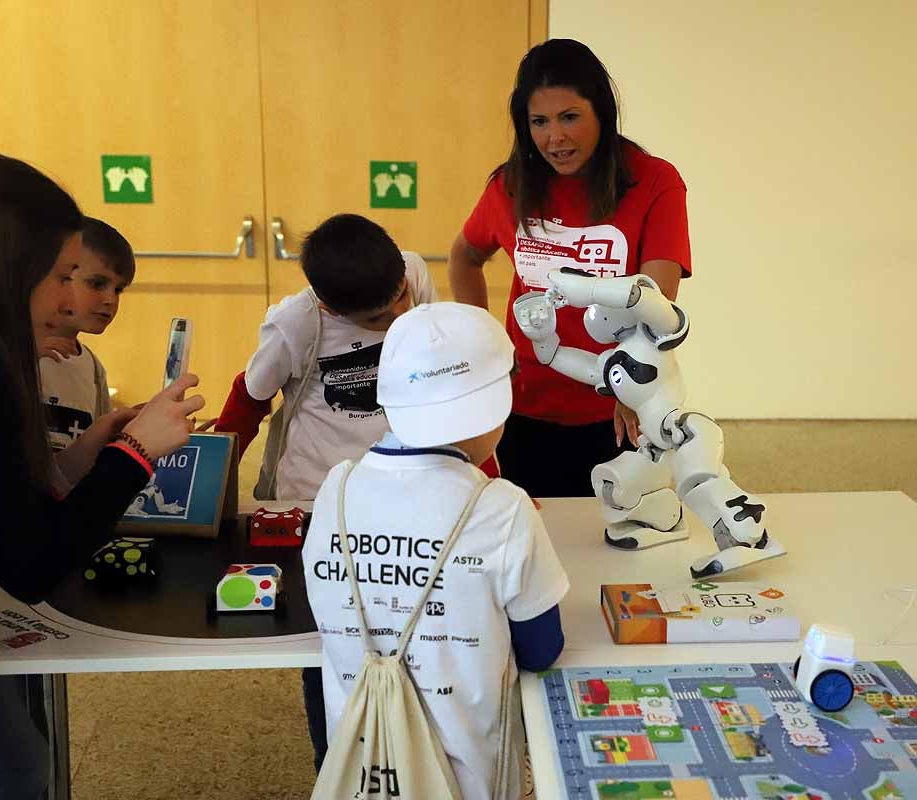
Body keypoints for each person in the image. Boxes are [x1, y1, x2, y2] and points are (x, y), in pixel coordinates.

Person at [0, 151, 204, 800]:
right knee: (17, 771)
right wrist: (135, 454)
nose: (70, 301)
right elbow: (31, 562)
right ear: (5, 264)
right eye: (64, 276)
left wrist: (89, 453)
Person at [304, 302, 567, 800]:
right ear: (493, 405)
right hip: (470, 779)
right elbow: (541, 650)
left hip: (362, 764)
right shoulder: (502, 507)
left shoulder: (335, 489)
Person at [212, 212, 439, 771]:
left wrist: (488, 480)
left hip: (405, 486)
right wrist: (208, 489)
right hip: (317, 499)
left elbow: (441, 378)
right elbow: (249, 399)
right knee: (332, 641)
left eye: (401, 298)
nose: (400, 315)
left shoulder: (412, 273)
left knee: (412, 623)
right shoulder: (295, 322)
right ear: (331, 309)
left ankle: (413, 754)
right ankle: (334, 760)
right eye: (381, 318)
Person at [449, 38, 693, 498]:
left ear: (600, 111)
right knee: (534, 539)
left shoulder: (653, 182)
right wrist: (485, 340)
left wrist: (632, 393)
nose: (554, 138)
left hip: (617, 406)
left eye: (569, 117)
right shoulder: (510, 186)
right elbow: (465, 255)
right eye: (539, 122)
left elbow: (658, 305)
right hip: (524, 402)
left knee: (615, 540)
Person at [38, 217, 134, 456]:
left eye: (118, 289)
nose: (110, 299)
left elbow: (97, 449)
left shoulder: (92, 368)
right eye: (97, 284)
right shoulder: (8, 353)